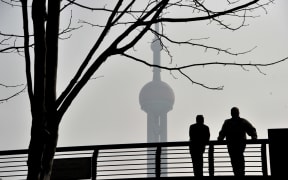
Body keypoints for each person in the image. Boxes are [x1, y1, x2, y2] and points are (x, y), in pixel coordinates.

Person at [217, 107, 257, 176]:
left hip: (232, 144)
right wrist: (254, 136)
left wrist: (220, 138)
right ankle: (240, 174)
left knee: (235, 161)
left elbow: (222, 132)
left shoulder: (228, 122)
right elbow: (251, 130)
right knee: (239, 160)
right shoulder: (242, 121)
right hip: (239, 144)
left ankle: (238, 174)